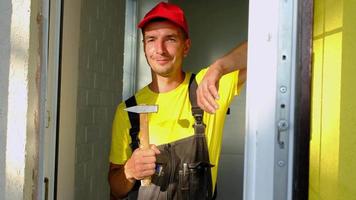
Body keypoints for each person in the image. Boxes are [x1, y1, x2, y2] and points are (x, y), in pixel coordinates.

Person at [108, 2, 247, 200]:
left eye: (170, 39)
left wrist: (220, 67)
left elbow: (266, 44)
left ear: (186, 46)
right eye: (151, 40)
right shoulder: (128, 111)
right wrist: (129, 171)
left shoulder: (206, 87)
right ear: (144, 47)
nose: (160, 49)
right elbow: (115, 189)